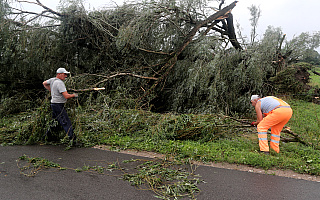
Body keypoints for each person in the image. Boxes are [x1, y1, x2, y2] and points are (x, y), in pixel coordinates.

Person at [43, 68, 78, 143]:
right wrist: (74, 95)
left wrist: (51, 90)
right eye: (64, 74)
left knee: (54, 122)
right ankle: (72, 139)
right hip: (58, 105)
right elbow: (66, 96)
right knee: (65, 121)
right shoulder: (60, 83)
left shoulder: (52, 80)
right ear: (59, 74)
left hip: (54, 104)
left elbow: (44, 83)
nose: (66, 76)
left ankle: (47, 137)